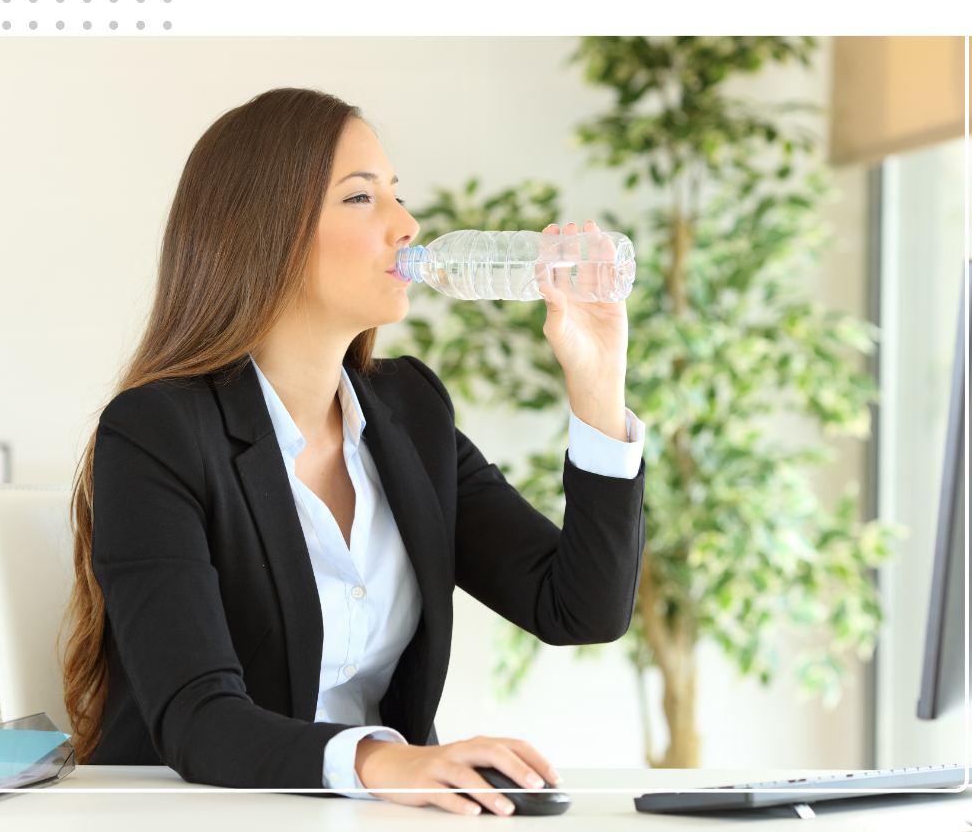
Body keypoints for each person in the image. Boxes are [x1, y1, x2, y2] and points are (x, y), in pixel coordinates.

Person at [62, 88, 645, 818]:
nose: (406, 225)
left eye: (395, 196)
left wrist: (596, 383)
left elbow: (578, 607)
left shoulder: (411, 413)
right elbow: (197, 719)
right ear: (263, 231)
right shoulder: (157, 432)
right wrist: (383, 759)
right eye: (361, 198)